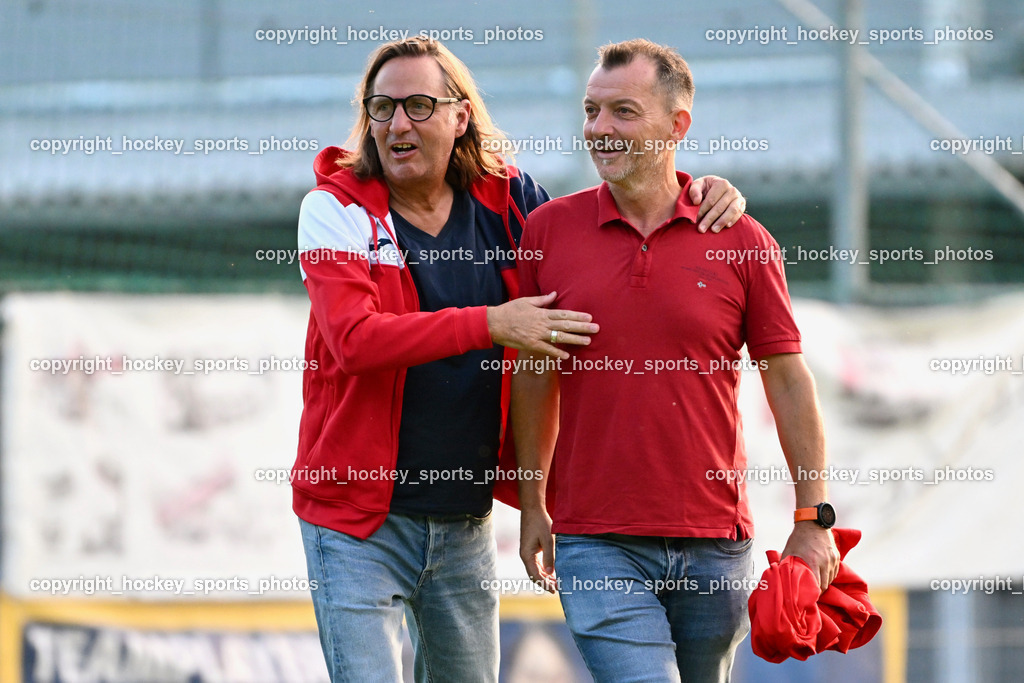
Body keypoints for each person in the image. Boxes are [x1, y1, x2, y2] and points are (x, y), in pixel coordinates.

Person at [290, 36, 748, 682]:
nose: (397, 123)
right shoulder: (332, 209)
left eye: (420, 105)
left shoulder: (510, 203)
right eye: (382, 106)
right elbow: (355, 340)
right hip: (355, 518)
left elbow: (605, 227)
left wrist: (697, 190)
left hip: (464, 518)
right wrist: (493, 325)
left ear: (460, 117)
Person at [513, 39, 841, 683]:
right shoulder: (547, 231)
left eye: (623, 113)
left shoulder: (742, 239)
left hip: (718, 542)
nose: (600, 130)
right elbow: (531, 375)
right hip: (595, 540)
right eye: (591, 111)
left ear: (677, 126)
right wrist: (532, 500)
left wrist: (813, 517)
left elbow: (790, 383)